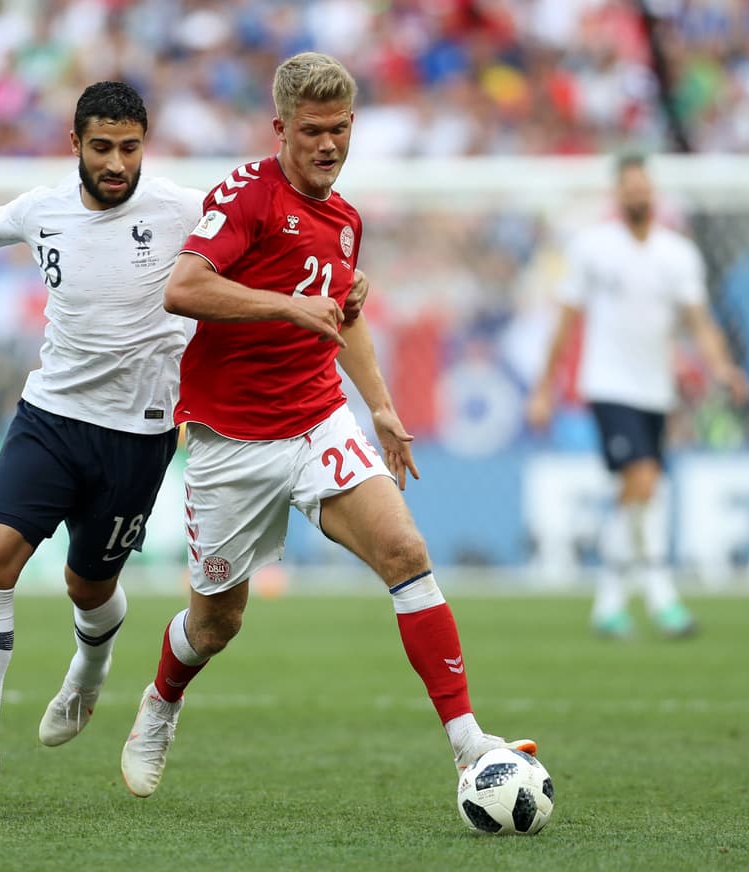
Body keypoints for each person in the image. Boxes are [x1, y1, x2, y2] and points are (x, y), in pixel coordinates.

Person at [0, 81, 368, 790]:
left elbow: (274, 246)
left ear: (144, 144)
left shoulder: (188, 210)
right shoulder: (43, 209)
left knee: (88, 587)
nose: (117, 163)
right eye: (102, 148)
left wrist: (343, 287)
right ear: (76, 147)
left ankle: (90, 668)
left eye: (129, 148)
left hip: (138, 437)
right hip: (49, 418)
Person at [117, 51, 536, 800]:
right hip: (232, 442)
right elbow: (182, 288)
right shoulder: (247, 196)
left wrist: (378, 404)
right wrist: (283, 305)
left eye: (341, 129)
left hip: (317, 420)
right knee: (216, 625)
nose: (329, 146)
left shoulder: (345, 218)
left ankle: (470, 745)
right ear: (281, 128)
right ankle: (161, 702)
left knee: (405, 550)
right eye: (313, 131)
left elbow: (342, 316)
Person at [527, 153, 749, 639]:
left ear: (654, 194)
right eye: (628, 187)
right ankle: (655, 595)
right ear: (617, 194)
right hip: (608, 385)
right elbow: (565, 321)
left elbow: (699, 322)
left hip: (656, 389)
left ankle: (614, 603)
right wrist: (544, 388)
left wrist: (722, 367)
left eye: (643, 187)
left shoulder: (678, 254)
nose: (636, 194)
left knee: (640, 492)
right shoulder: (593, 247)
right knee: (644, 480)